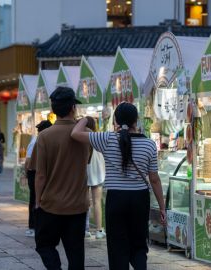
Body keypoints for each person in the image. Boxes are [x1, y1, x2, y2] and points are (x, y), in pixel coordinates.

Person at [71, 102, 166, 269]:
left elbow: (75, 133)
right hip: (139, 198)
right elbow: (154, 179)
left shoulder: (107, 139)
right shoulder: (149, 144)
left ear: (115, 120)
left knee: (117, 247)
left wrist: (86, 119)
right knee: (138, 245)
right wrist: (162, 207)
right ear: (136, 120)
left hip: (116, 199)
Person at [34, 86, 88, 270]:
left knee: (44, 245)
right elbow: (86, 161)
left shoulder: (45, 136)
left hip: (51, 204)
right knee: (76, 253)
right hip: (78, 204)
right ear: (73, 108)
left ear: (53, 109)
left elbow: (41, 174)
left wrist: (38, 200)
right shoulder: (85, 135)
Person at [24, 120, 52, 238]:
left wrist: (27, 172)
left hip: (35, 172)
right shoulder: (37, 141)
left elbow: (28, 161)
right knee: (36, 199)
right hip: (36, 172)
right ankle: (33, 226)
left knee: (36, 199)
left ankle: (35, 226)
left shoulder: (36, 140)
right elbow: (28, 161)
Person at [84, 116, 106, 239]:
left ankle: (85, 229)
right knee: (97, 202)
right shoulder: (99, 138)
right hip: (98, 174)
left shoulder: (82, 138)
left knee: (85, 202)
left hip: (85, 173)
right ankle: (98, 230)